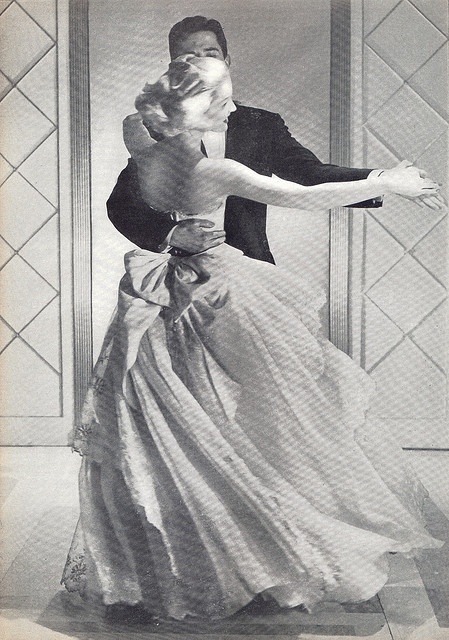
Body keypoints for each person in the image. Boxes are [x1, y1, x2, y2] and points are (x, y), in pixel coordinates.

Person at [62, 55, 443, 623]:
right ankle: (256, 550)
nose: (233, 108)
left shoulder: (147, 148)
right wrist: (390, 182)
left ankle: (186, 564)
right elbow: (297, 195)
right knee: (267, 420)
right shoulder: (215, 171)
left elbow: (138, 128)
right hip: (219, 296)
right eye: (221, 101)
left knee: (189, 435)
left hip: (168, 306)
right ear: (191, 108)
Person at [107, 15, 443, 262]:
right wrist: (170, 236)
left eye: (210, 54)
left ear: (226, 60)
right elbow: (121, 205)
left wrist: (381, 178)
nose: (202, 64)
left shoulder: (256, 125)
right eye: (189, 58)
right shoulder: (159, 139)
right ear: (174, 69)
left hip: (246, 271)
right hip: (174, 275)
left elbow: (310, 177)